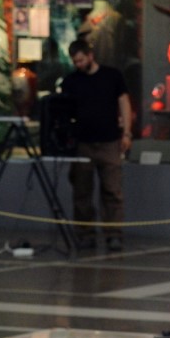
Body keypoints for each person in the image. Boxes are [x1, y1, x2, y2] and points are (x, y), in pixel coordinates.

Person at [60, 38, 132, 251]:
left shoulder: (112, 76)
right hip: (83, 143)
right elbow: (64, 111)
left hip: (109, 141)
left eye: (81, 60)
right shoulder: (71, 81)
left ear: (90, 55)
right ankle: (85, 234)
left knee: (112, 191)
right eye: (75, 61)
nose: (78, 64)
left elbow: (124, 103)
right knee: (82, 192)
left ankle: (114, 234)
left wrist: (127, 133)